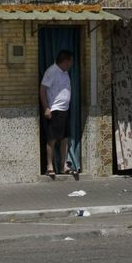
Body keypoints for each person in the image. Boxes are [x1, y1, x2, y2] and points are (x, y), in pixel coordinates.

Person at [41, 50, 76, 180]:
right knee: (52, 139)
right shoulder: (52, 71)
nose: (72, 63)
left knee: (65, 139)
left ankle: (63, 165)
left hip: (65, 109)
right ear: (65, 61)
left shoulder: (65, 72)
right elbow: (43, 89)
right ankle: (50, 166)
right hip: (55, 109)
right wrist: (46, 108)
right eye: (71, 61)